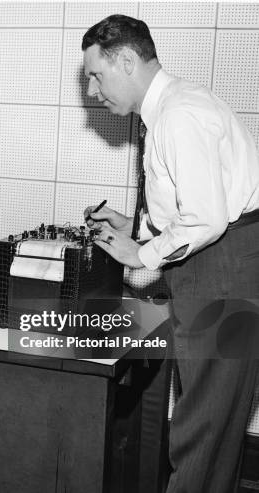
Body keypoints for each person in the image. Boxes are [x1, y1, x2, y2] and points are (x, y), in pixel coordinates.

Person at [81, 15, 259, 493]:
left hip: (220, 269)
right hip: (221, 265)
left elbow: (206, 218)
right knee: (214, 427)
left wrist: (141, 254)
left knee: (200, 428)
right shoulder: (171, 109)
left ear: (127, 59)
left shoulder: (178, 115)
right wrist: (136, 226)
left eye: (97, 75)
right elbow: (187, 204)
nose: (93, 91)